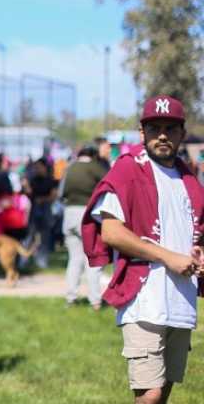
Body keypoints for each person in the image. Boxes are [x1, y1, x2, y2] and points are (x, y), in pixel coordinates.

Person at [82, 96, 204, 404]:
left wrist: (198, 255)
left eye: (170, 128)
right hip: (144, 297)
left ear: (182, 133)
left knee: (163, 392)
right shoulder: (127, 170)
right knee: (149, 395)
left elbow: (194, 235)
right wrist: (168, 257)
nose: (162, 135)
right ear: (142, 132)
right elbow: (111, 232)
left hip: (181, 299)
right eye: (154, 128)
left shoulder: (189, 178)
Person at [60, 145, 108, 310]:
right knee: (93, 258)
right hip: (87, 213)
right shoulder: (94, 167)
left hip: (69, 214)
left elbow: (61, 193)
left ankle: (70, 298)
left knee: (74, 258)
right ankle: (95, 300)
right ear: (94, 156)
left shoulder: (70, 167)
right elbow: (109, 184)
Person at [27, 158, 58, 268]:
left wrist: (42, 200)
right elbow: (29, 194)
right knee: (30, 235)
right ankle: (24, 259)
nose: (37, 169)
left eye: (39, 167)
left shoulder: (51, 180)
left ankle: (42, 261)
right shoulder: (32, 180)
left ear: (45, 167)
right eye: (35, 167)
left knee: (45, 236)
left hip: (46, 210)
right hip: (34, 210)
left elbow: (53, 196)